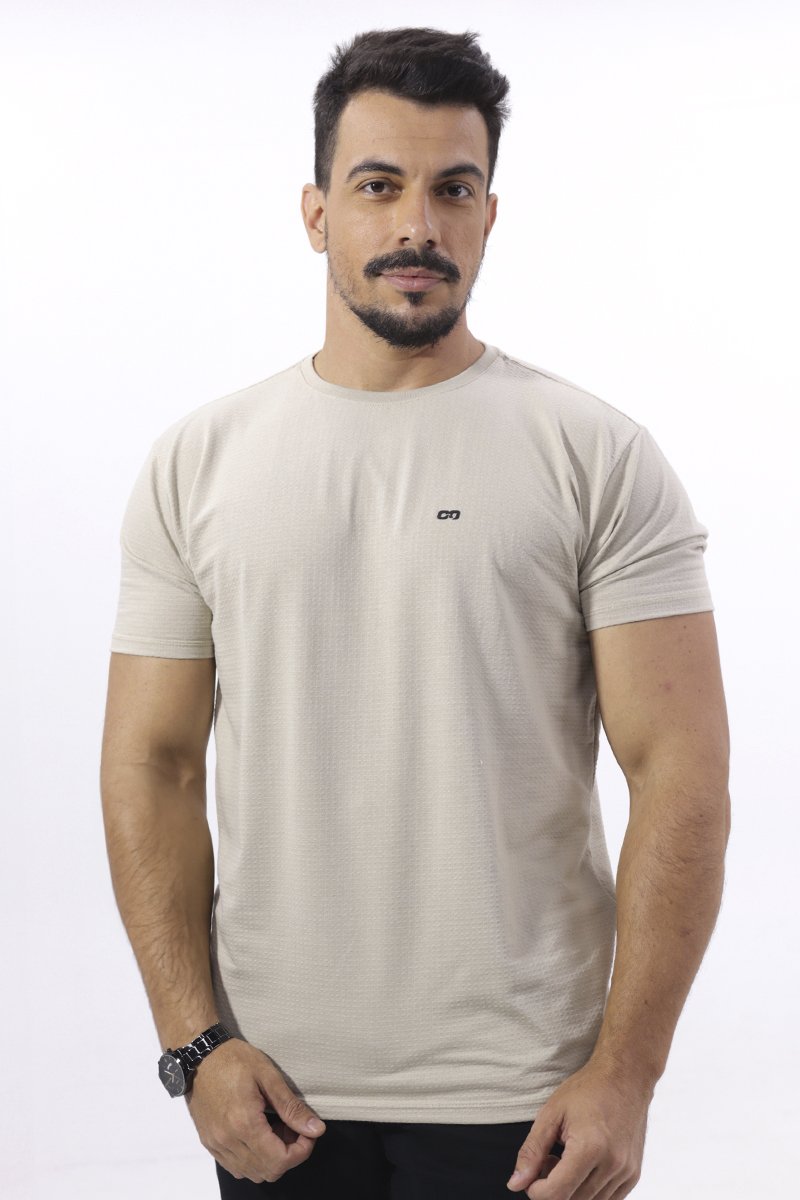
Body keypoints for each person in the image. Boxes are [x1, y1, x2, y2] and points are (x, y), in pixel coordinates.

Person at [100, 25, 730, 1200]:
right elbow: (152, 763)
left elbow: (679, 775)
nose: (417, 226)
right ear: (315, 213)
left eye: (452, 189)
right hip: (273, 1096)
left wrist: (626, 1075)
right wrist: (194, 1047)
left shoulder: (594, 455)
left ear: (488, 215)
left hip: (526, 1104)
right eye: (377, 186)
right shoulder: (199, 461)